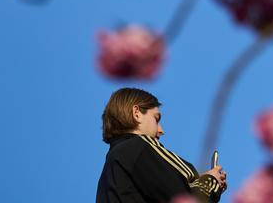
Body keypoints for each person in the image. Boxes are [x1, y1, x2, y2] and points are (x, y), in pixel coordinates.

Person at [97, 87, 227, 203]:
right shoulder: (139, 146)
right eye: (156, 118)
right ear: (136, 113)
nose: (161, 130)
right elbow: (184, 198)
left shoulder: (110, 171)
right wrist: (210, 181)